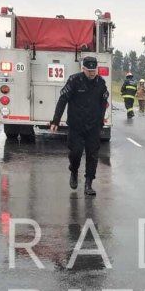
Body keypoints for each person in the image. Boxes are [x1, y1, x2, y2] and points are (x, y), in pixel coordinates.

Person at [50, 56, 110, 196]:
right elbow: (63, 100)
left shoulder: (101, 83)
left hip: (93, 126)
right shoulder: (74, 80)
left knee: (92, 155)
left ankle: (89, 183)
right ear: (83, 69)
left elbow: (103, 103)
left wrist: (101, 121)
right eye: (89, 70)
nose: (91, 73)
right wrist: (55, 121)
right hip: (76, 125)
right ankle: (74, 171)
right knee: (75, 152)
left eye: (94, 70)